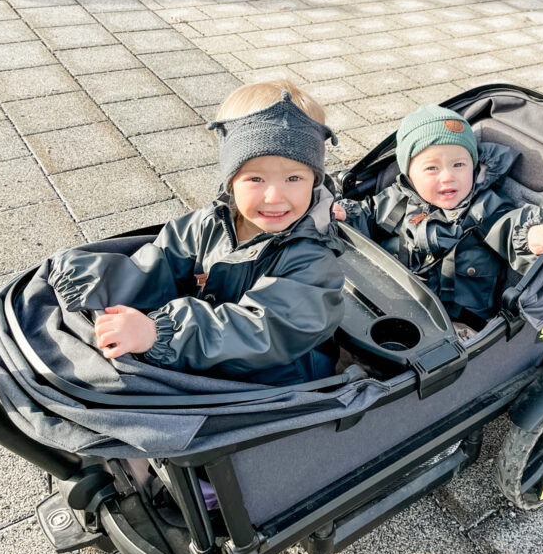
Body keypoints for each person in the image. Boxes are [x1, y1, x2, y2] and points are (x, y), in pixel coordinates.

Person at [48, 80, 344, 385]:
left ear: (315, 180)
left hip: (276, 379)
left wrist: (160, 332)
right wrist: (89, 282)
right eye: (255, 178)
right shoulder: (209, 224)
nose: (274, 196)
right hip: (203, 351)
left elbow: (262, 330)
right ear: (231, 181)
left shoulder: (312, 260)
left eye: (294, 178)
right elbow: (156, 265)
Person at [335, 104, 543, 334]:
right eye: (432, 168)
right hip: (396, 305)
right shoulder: (398, 199)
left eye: (459, 165)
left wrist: (531, 233)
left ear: (473, 166)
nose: (448, 177)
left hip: (460, 326)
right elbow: (367, 213)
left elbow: (510, 225)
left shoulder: (484, 208)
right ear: (409, 175)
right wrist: (346, 213)